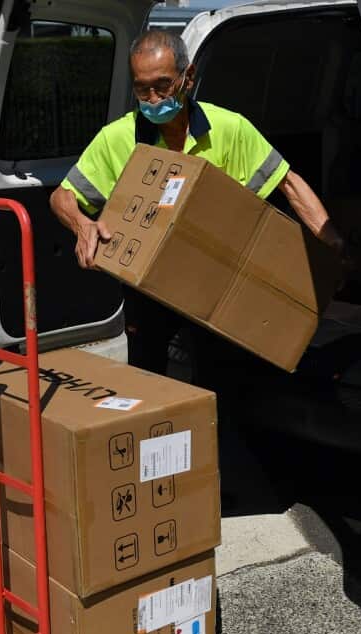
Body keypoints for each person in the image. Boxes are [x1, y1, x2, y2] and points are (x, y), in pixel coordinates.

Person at [50, 29, 343, 375]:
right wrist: (82, 225)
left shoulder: (229, 129)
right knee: (150, 381)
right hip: (147, 291)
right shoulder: (118, 138)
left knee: (221, 380)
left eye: (162, 85)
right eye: (142, 89)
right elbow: (62, 196)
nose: (154, 99)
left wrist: (332, 246)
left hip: (215, 283)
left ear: (188, 78)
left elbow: (288, 183)